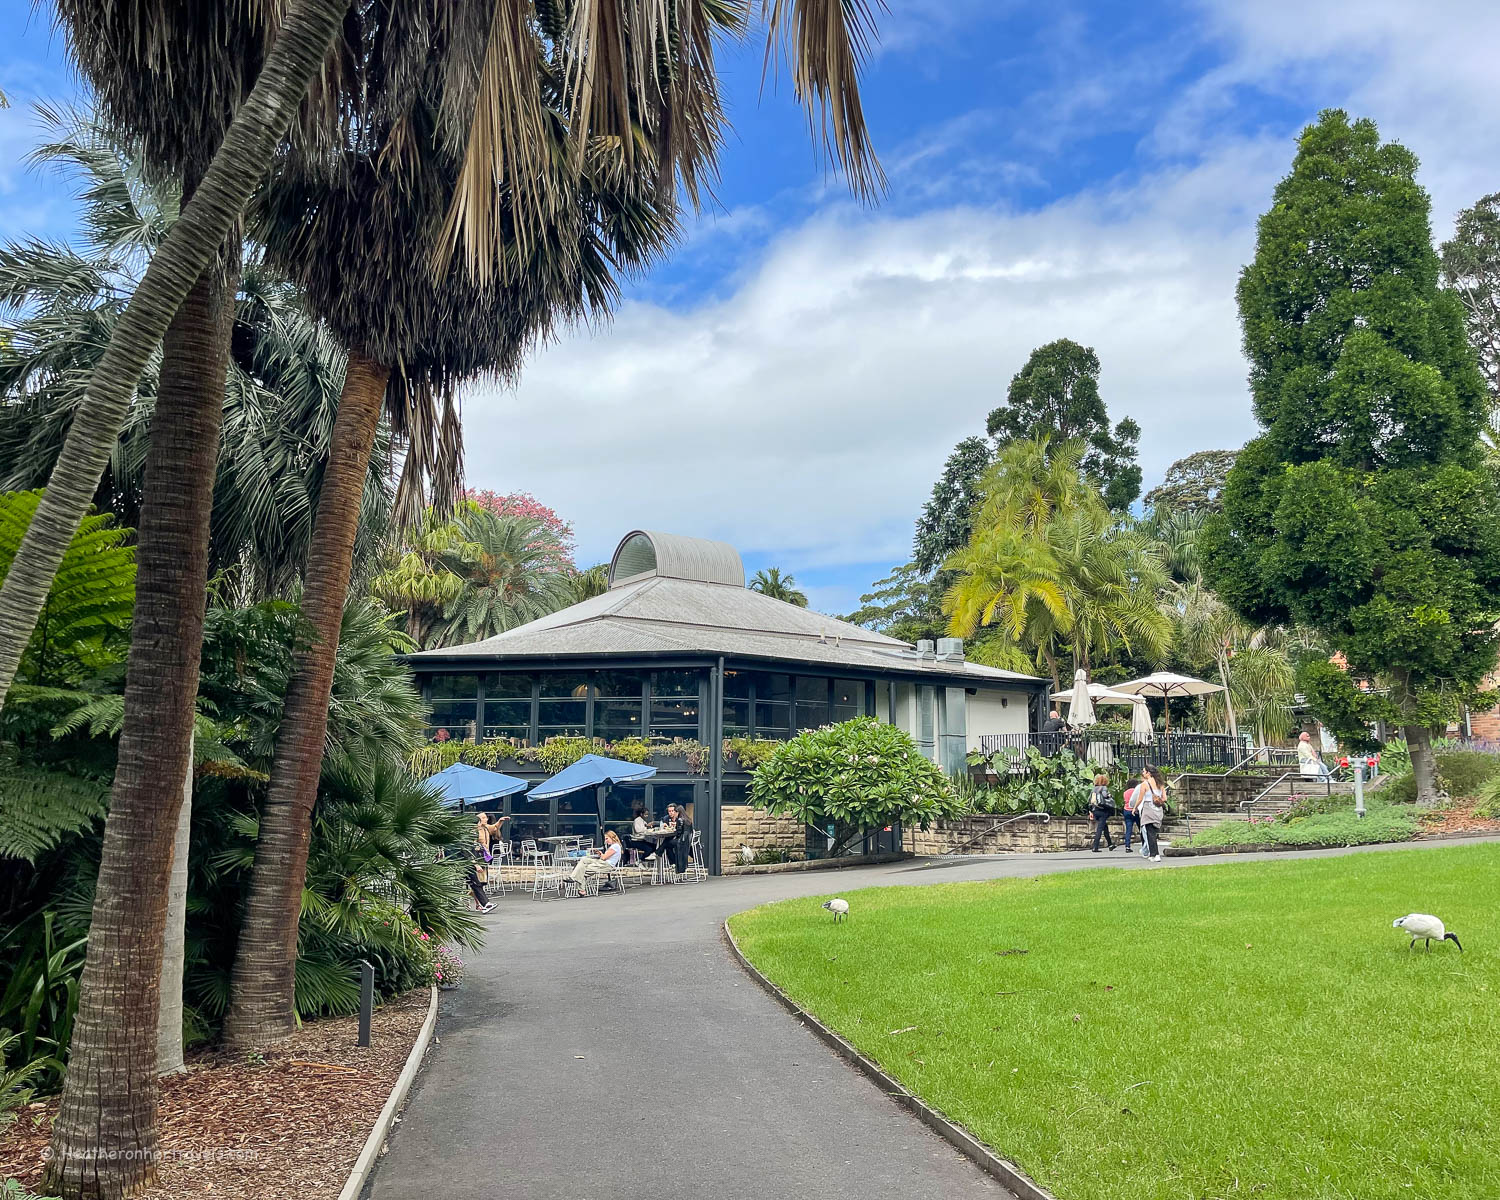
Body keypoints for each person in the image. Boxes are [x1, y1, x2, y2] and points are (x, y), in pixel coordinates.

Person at [570, 830, 623, 895]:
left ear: (612, 837)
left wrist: (601, 854)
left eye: (607, 839)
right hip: (603, 863)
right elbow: (604, 857)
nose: (606, 841)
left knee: (581, 870)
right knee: (584, 860)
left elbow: (604, 858)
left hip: (606, 865)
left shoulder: (615, 846)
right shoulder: (615, 846)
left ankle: (580, 888)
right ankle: (575, 880)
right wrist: (600, 853)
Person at [1137, 765, 1168, 862]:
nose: (1143, 773)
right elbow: (1165, 799)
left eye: (1144, 771)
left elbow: (1140, 798)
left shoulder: (1145, 784)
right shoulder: (1160, 783)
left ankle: (1155, 854)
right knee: (1153, 832)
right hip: (1158, 810)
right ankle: (1153, 854)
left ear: (1148, 773)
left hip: (1148, 810)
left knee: (1149, 832)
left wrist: (1134, 808)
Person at [665, 802, 694, 875]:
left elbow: (678, 833)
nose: (673, 813)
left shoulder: (680, 820)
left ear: (678, 812)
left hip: (681, 842)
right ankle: (659, 853)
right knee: (667, 843)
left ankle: (673, 863)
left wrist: (676, 828)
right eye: (670, 811)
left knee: (666, 844)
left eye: (674, 812)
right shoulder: (688, 819)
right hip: (687, 842)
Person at [1088, 773, 1115, 852]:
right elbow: (1105, 795)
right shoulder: (1104, 788)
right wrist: (1109, 795)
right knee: (1099, 829)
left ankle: (1110, 844)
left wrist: (1091, 812)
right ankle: (1095, 846)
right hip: (1102, 810)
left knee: (1104, 827)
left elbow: (1089, 800)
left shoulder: (1093, 789)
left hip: (1095, 810)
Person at [1120, 775, 1142, 853]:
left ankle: (1127, 846)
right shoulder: (1137, 791)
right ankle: (1145, 844)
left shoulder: (1125, 792)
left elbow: (1125, 801)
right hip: (1135, 810)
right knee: (1141, 828)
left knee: (1128, 829)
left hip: (1127, 810)